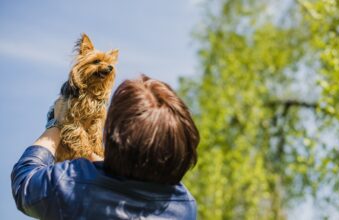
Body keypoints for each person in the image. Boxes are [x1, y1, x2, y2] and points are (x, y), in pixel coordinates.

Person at [11, 75, 200, 219]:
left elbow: (24, 182)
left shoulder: (72, 185)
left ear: (110, 137)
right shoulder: (184, 207)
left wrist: (57, 123)